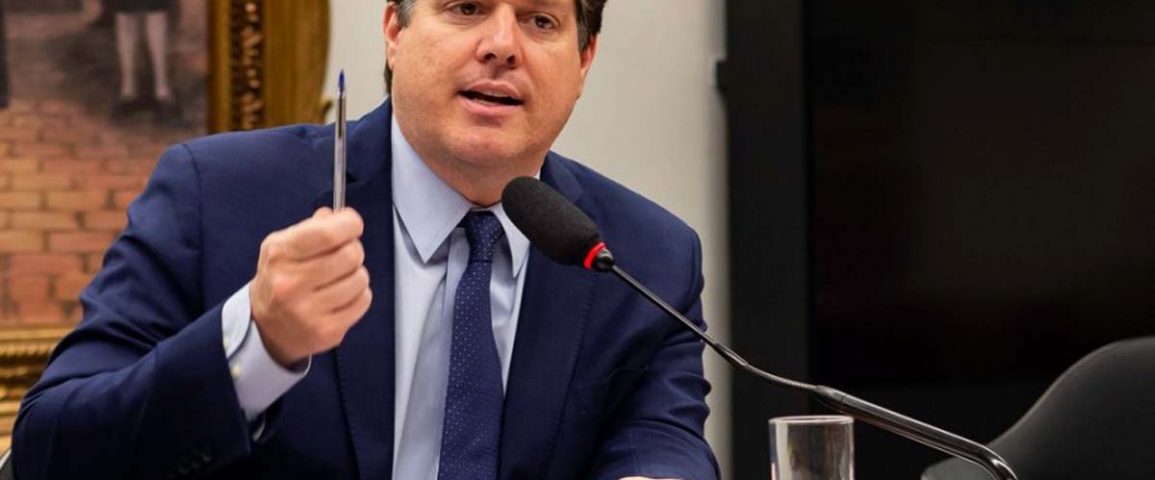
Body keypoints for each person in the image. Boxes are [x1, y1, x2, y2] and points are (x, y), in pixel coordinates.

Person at [13, 1, 718, 479]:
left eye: (540, 20)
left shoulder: (646, 256)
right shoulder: (216, 196)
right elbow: (52, 451)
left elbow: (660, 439)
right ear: (393, 30)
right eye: (465, 7)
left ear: (584, 60)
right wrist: (256, 340)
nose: (502, 45)